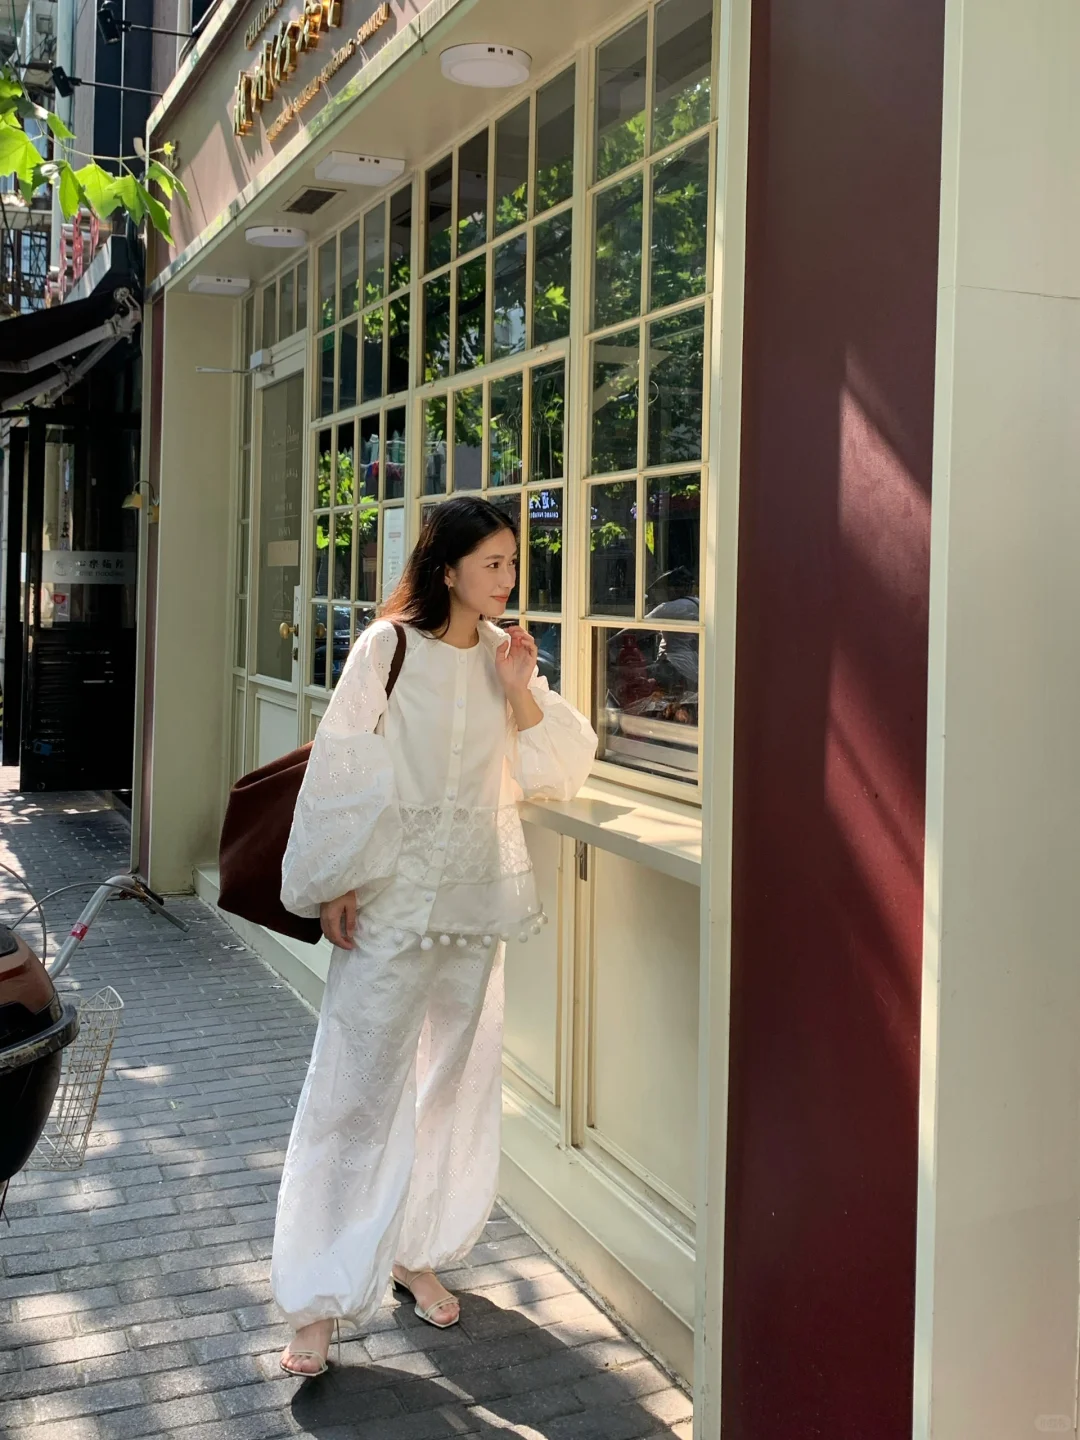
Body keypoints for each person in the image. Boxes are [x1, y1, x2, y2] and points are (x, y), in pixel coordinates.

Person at [272, 496, 597, 1376]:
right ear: (447, 569)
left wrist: (520, 690)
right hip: (390, 899)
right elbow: (342, 761)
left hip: (473, 903)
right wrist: (334, 881)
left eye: (513, 562)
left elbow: (562, 766)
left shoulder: (503, 655)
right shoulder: (388, 648)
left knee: (450, 1082)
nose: (509, 578)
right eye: (493, 563)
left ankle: (415, 1252)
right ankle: (316, 1301)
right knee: (355, 1087)